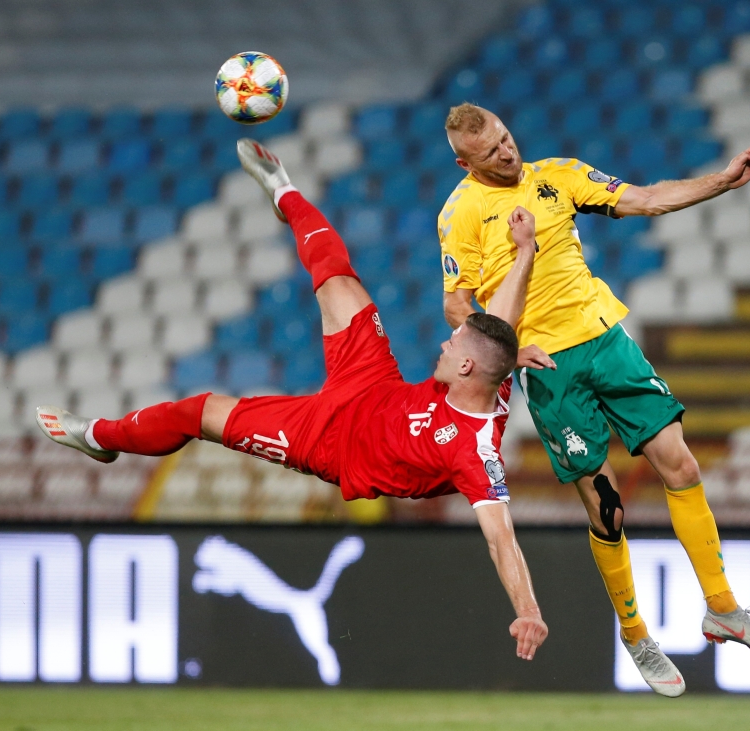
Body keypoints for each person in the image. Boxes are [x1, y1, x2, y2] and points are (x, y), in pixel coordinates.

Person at [34, 138, 548, 663]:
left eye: (453, 344)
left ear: (466, 367)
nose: (445, 341)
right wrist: (525, 250)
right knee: (337, 279)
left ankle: (102, 438)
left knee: (200, 412)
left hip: (330, 440)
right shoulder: (494, 370)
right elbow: (498, 326)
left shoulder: (475, 451)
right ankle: (285, 189)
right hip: (374, 384)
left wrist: (527, 609)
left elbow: (500, 538)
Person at [438, 103, 750, 696]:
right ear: (463, 160)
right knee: (607, 506)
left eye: (506, 137)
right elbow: (457, 305)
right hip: (549, 366)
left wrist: (724, 181)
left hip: (606, 340)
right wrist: (506, 349)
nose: (506, 150)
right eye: (490, 149)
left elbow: (647, 199)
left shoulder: (559, 174)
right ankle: (634, 632)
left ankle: (723, 607)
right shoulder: (460, 213)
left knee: (681, 463)